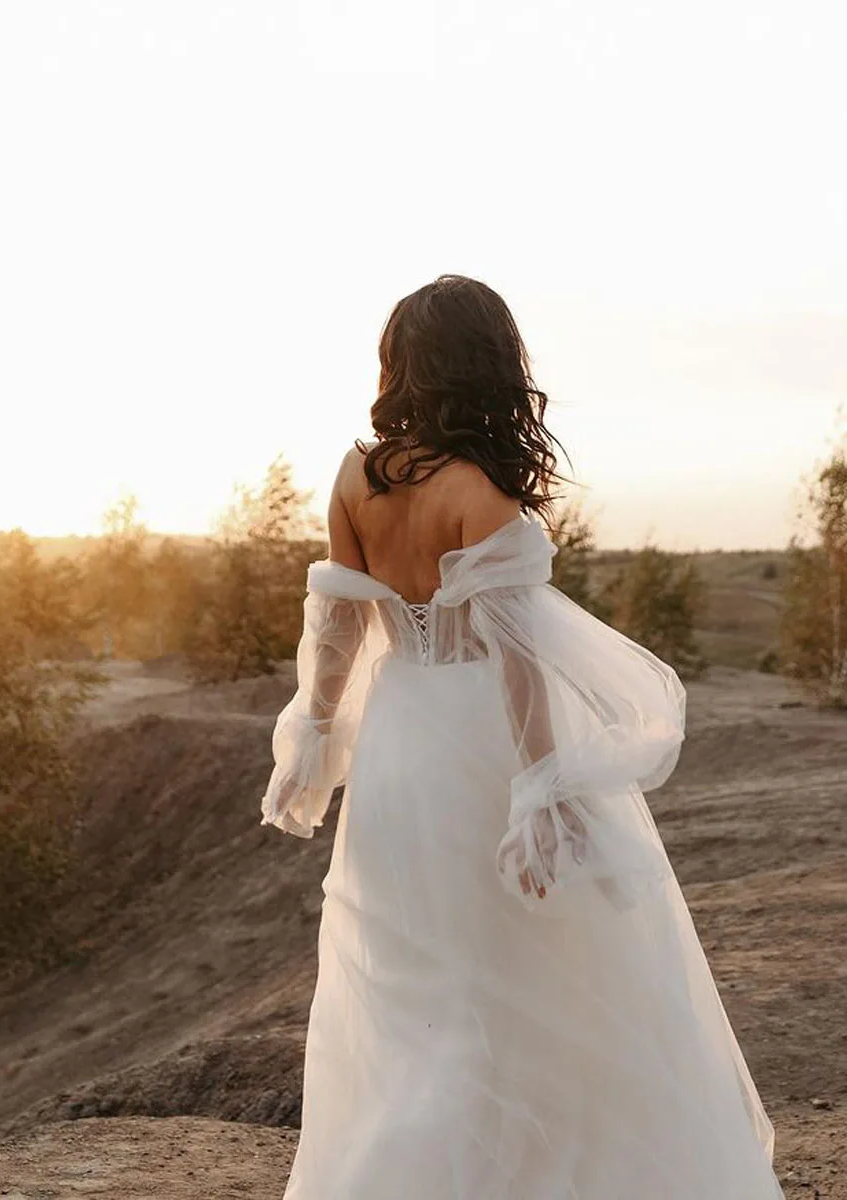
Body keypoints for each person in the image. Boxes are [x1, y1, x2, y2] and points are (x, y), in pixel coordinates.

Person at [260, 274, 785, 1198]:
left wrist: (313, 728)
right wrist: (543, 789)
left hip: (398, 752)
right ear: (492, 366)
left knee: (421, 980)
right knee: (541, 977)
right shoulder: (482, 492)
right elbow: (516, 663)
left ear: (403, 365)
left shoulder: (356, 474)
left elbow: (337, 626)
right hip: (480, 747)